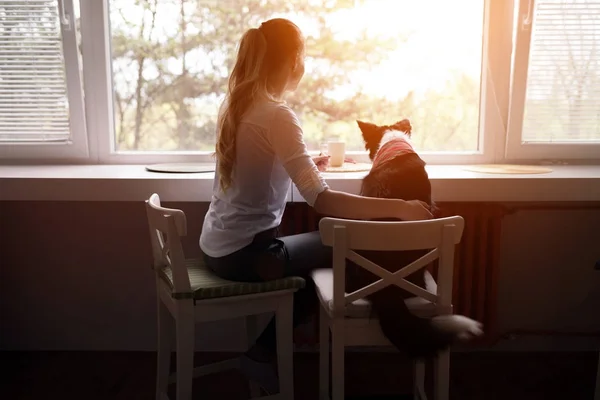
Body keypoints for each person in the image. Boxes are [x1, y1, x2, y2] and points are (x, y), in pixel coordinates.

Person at [199, 18, 433, 393]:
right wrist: (402, 207)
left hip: (215, 246)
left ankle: (264, 352)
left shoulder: (238, 102)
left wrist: (306, 163)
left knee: (319, 258)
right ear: (293, 60)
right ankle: (264, 353)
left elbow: (259, 161)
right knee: (341, 244)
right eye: (303, 54)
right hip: (248, 256)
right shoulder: (278, 114)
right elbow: (321, 200)